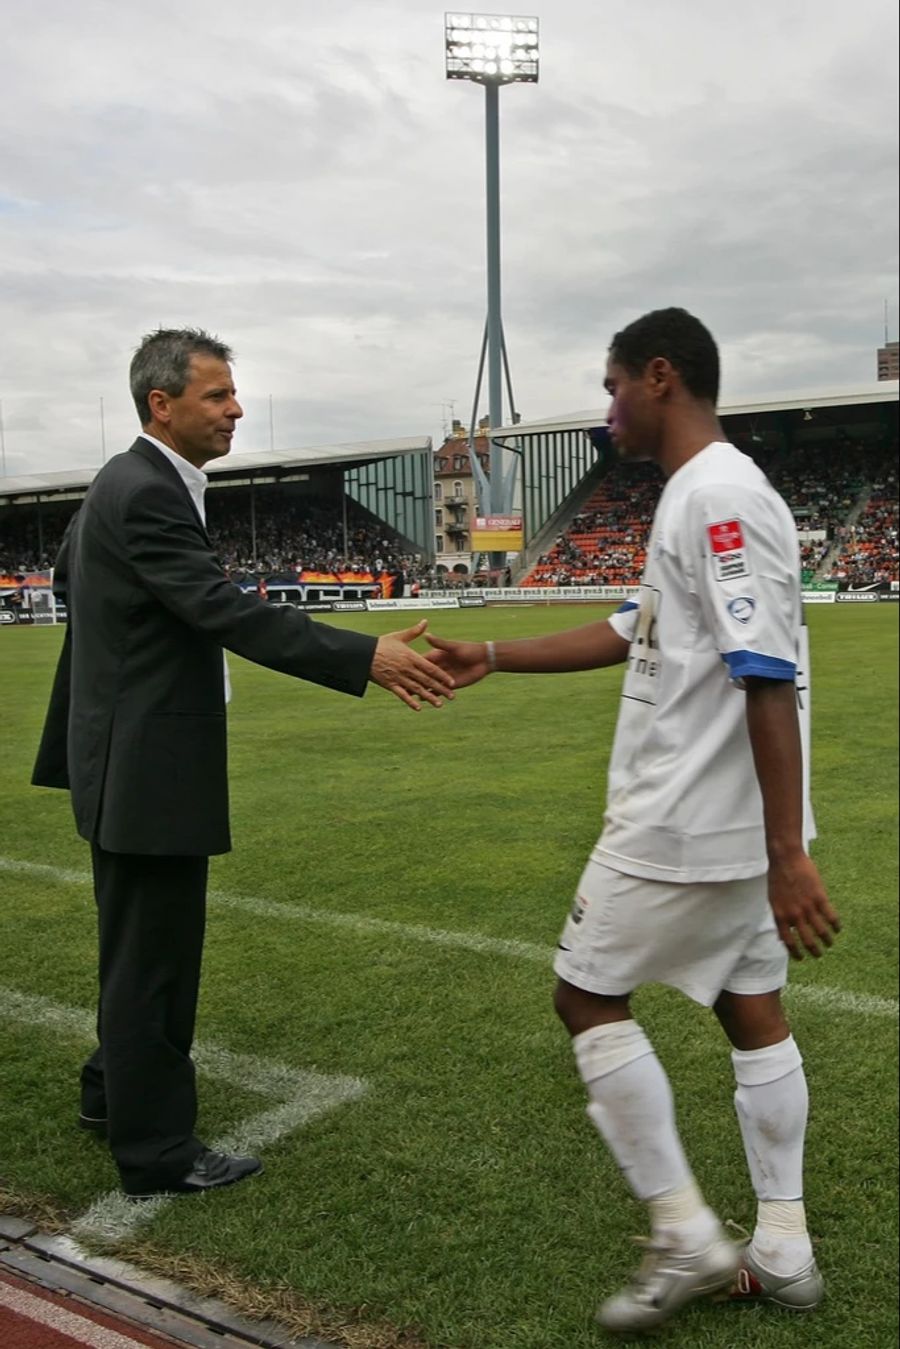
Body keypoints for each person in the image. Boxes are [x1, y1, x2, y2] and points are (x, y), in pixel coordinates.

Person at [425, 308, 840, 1333]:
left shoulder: (722, 498)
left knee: (584, 994)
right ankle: (782, 1244)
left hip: (685, 819)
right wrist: (493, 655)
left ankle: (687, 1231)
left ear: (661, 377)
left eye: (613, 387)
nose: (607, 408)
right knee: (752, 1008)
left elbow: (767, 676)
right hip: (731, 824)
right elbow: (631, 628)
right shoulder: (696, 496)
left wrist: (789, 853)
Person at [32, 327, 453, 1200]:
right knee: (156, 958)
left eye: (233, 392)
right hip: (146, 768)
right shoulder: (146, 488)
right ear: (163, 405)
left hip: (124, 754)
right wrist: (361, 658)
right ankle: (157, 1152)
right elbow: (223, 609)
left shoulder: (126, 480)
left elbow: (75, 564)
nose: (236, 409)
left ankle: (112, 1092)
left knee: (136, 947)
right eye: (218, 395)